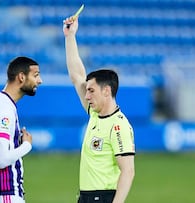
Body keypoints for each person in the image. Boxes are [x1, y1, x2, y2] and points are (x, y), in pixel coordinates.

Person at [63, 16, 135, 203]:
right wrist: (70, 36)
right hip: (86, 197)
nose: (86, 96)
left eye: (91, 91)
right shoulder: (95, 114)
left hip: (102, 198)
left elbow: (128, 171)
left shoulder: (119, 126)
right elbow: (76, 76)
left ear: (106, 91)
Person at [0, 56, 42, 203]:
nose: (40, 80)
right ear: (21, 77)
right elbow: (1, 160)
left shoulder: (0, 104)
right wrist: (27, 145)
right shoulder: (3, 108)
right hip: (4, 194)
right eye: (36, 75)